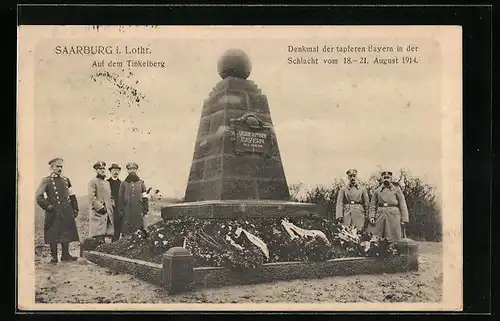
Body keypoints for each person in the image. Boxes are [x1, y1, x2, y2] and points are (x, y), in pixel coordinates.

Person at [35, 158, 79, 263]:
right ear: (52, 167)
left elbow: (72, 195)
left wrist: (75, 208)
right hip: (53, 211)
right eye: (57, 166)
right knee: (53, 232)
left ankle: (65, 255)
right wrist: (48, 206)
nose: (59, 168)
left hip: (66, 210)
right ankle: (54, 256)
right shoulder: (46, 180)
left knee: (66, 231)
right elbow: (38, 196)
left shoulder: (66, 180)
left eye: (61, 166)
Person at [367, 170, 410, 241]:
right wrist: (372, 216)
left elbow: (402, 204)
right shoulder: (377, 191)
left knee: (394, 235)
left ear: (391, 179)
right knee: (376, 235)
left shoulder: (397, 190)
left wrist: (404, 219)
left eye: (388, 177)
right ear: (382, 179)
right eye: (384, 177)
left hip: (393, 215)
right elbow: (373, 205)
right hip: (380, 214)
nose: (386, 179)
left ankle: (394, 249)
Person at [117, 162, 149, 236]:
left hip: (138, 209)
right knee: (127, 230)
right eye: (130, 169)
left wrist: (145, 208)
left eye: (134, 169)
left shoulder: (141, 183)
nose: (132, 171)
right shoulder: (123, 183)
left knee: (139, 228)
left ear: (136, 170)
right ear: (127, 171)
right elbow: (120, 198)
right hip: (127, 210)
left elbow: (145, 196)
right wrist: (121, 210)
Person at [88, 161, 114, 243]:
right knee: (98, 234)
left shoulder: (107, 183)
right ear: (96, 170)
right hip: (98, 213)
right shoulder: (93, 182)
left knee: (108, 234)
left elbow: (111, 196)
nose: (102, 170)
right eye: (100, 169)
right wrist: (100, 207)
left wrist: (112, 205)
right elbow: (91, 197)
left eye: (103, 169)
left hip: (108, 212)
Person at [107, 163, 122, 242]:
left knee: (117, 229)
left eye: (117, 170)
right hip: (109, 209)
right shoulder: (106, 182)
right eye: (114, 170)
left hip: (118, 209)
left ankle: (114, 246)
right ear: (110, 171)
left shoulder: (122, 183)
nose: (115, 172)